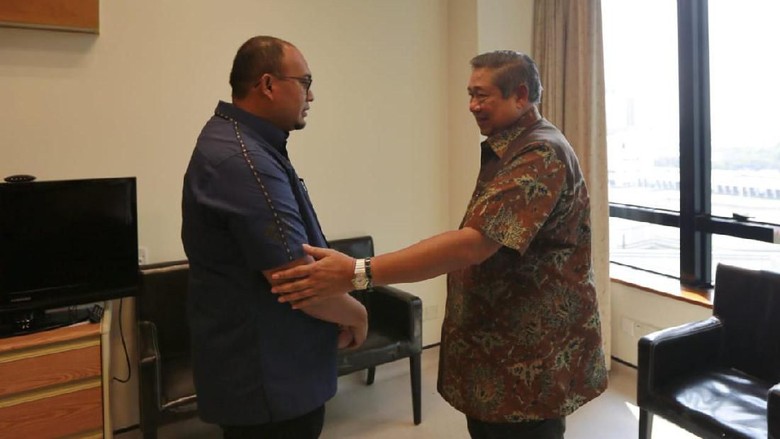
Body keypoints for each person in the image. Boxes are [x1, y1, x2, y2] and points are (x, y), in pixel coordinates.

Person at [270, 50, 608, 439]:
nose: (472, 106)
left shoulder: (540, 153)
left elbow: (472, 245)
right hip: (499, 354)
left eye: (482, 95)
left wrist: (357, 272)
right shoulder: (510, 147)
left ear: (519, 95)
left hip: (528, 362)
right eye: (470, 94)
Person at [181, 35, 367, 439]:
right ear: (267, 84)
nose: (310, 95)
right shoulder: (243, 160)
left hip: (271, 367)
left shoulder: (240, 142)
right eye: (305, 82)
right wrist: (357, 314)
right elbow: (298, 280)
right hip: (269, 379)